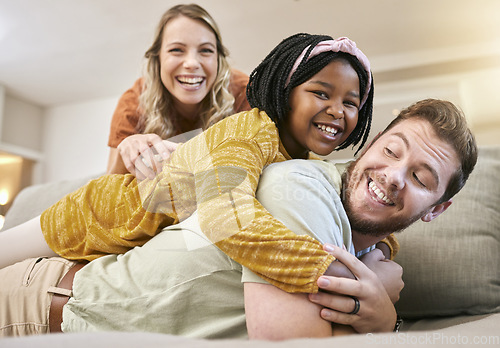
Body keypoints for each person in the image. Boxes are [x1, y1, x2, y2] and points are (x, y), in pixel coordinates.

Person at [0, 99, 478, 338]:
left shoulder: (370, 251)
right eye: (391, 151)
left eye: (420, 177)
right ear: (366, 147)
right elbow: (286, 338)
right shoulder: (301, 184)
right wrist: (378, 315)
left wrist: (381, 299)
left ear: (437, 209)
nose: (393, 176)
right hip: (40, 304)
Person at [0, 33, 381, 296]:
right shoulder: (248, 133)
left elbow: (364, 217)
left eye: (351, 102)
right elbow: (227, 218)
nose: (337, 110)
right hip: (95, 216)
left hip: (127, 250)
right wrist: (332, 272)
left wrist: (380, 258)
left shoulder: (308, 165)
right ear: (285, 91)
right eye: (320, 93)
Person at [106, 4, 251, 178]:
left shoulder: (244, 91)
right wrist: (126, 152)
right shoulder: (133, 101)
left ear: (219, 59)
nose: (192, 63)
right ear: (157, 59)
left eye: (206, 50)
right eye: (176, 50)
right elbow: (107, 189)